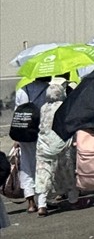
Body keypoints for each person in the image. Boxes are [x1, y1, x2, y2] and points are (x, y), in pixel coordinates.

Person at [34, 79, 81, 216]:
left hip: (44, 145)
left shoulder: (43, 107)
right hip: (61, 143)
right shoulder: (64, 106)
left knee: (43, 173)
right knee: (67, 171)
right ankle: (73, 200)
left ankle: (42, 204)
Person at [12, 76, 50, 214]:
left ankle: (30, 202)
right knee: (42, 165)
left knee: (26, 165)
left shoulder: (22, 89)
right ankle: (42, 203)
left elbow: (16, 111)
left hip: (23, 130)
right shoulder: (47, 89)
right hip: (40, 131)